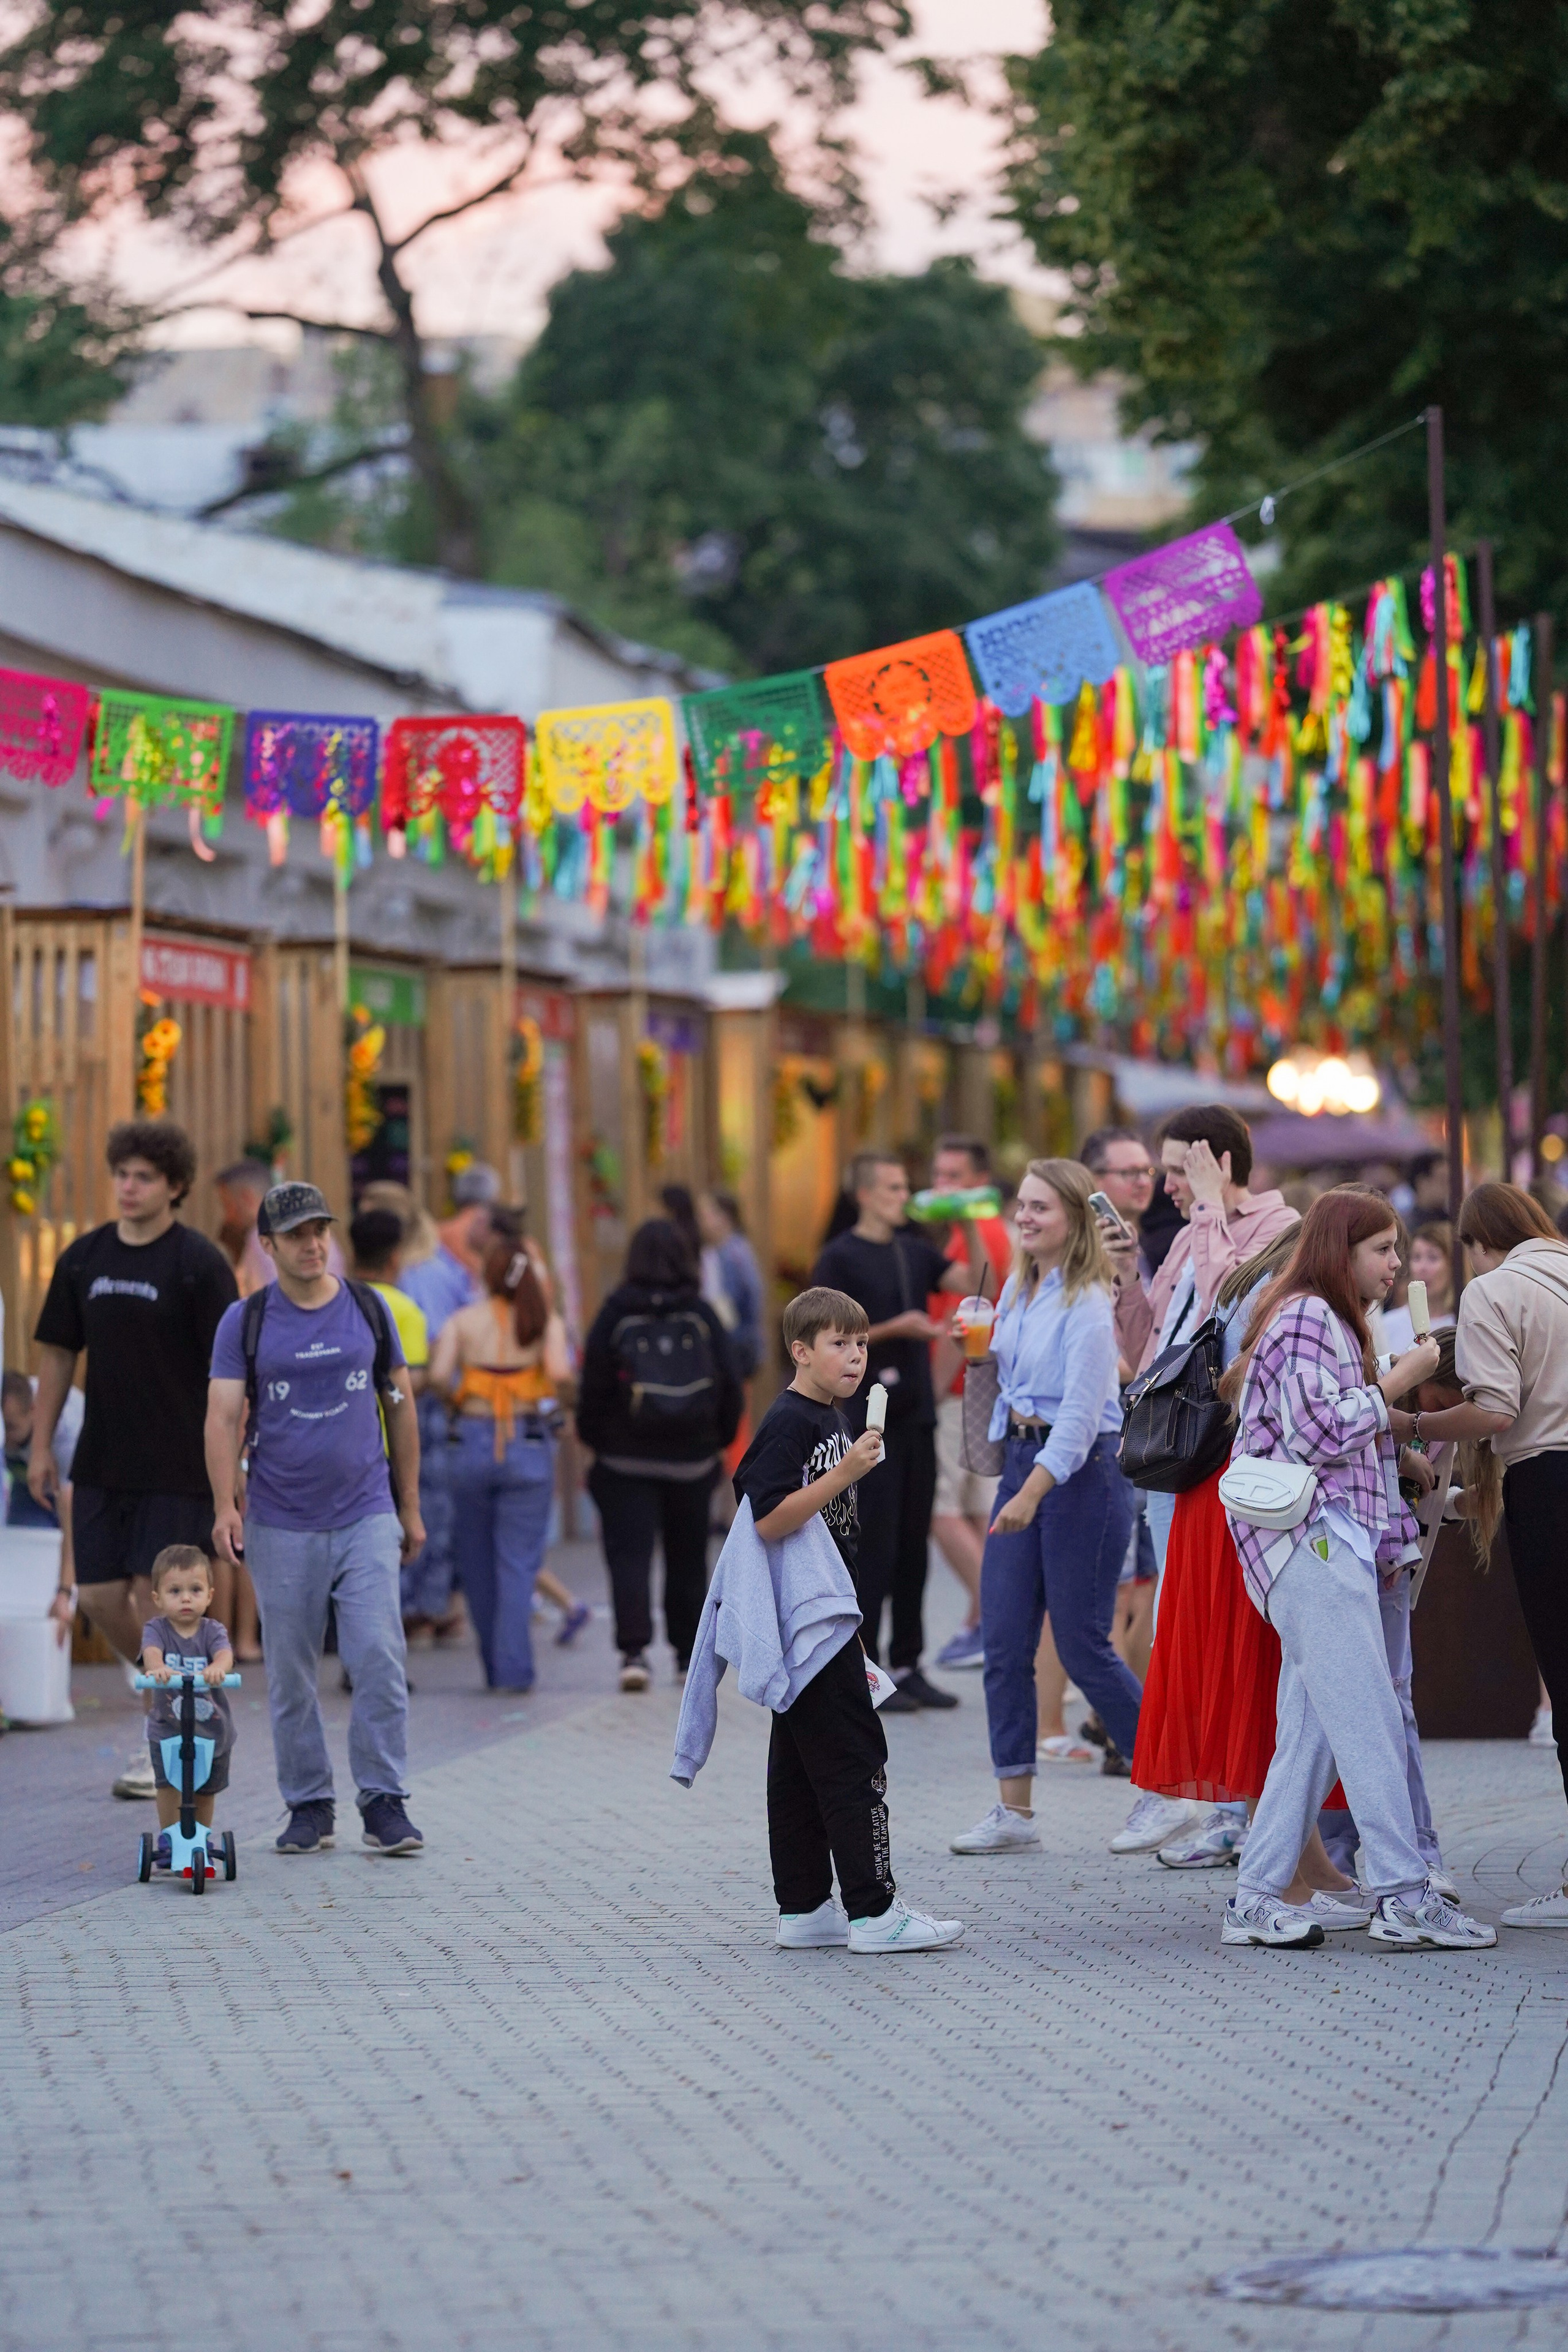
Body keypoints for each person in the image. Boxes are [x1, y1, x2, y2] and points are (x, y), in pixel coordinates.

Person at [1221, 1188, 1494, 1950]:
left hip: (1321, 1540)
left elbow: (1331, 1431)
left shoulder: (1323, 1316)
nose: (1396, 1263)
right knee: (1367, 1716)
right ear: (1341, 1252)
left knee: (1312, 1733)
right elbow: (1317, 1431)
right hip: (1311, 1540)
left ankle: (1254, 1896)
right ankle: (1404, 1893)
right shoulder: (1311, 1314)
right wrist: (1402, 1379)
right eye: (1382, 1249)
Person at [728, 1284, 963, 1954]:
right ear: (801, 1352)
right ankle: (875, 1910)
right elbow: (767, 1517)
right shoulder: (790, 1419)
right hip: (809, 1620)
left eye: (861, 1343)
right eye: (839, 1344)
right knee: (857, 1759)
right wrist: (843, 1476)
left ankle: (803, 1908)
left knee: (800, 1771)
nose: (855, 1357)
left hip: (830, 1616)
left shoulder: (834, 1415)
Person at [206, 1181, 426, 1858]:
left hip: (365, 1511)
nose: (312, 1244)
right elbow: (220, 1417)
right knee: (291, 1671)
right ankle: (308, 1805)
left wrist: (409, 1506)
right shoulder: (245, 1320)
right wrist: (223, 1507)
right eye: (297, 1235)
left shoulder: (367, 1307)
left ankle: (384, 1801)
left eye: (320, 1231)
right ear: (268, 1246)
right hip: (279, 1519)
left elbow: (402, 1407)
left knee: (379, 1656)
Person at [29, 1119, 238, 1801]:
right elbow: (57, 1355)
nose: (128, 1186)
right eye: (122, 1173)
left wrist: (230, 1470)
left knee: (164, 1601)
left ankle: (173, 1731)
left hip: (177, 1464)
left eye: (144, 1176)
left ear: (174, 1186)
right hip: (100, 1461)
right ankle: (170, 1702)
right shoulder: (83, 1259)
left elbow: (230, 1375)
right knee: (94, 1595)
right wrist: (39, 1445)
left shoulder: (198, 1264)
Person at [949, 1160, 1137, 1856]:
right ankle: (1014, 1810)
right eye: (1020, 1206)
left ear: (1073, 1220)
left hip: (1079, 1473)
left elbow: (1084, 1417)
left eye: (1040, 1209)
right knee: (1002, 1642)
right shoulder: (1020, 1286)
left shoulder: (1087, 1300)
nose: (1025, 1218)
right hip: (1025, 1462)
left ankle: (1177, 1789)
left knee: (1085, 1647)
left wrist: (1031, 1492)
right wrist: (975, 1345)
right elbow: (1010, 1378)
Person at [1418, 1182, 1568, 1926]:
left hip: (1550, 1483)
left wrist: (1409, 1417)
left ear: (1476, 1243)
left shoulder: (1493, 1291)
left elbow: (1497, 1409)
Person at [810, 1150, 968, 1709]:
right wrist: (894, 1327)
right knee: (870, 1540)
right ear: (865, 1194)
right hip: (865, 1418)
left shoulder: (915, 1251)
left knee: (911, 1544)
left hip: (917, 1412)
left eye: (907, 1186)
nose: (905, 1196)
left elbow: (971, 1279)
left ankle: (909, 1660)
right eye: (894, 1187)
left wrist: (967, 1220)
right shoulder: (839, 1258)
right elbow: (821, 1333)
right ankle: (865, 1664)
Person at [576, 1216, 742, 1691]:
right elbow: (731, 1384)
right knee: (689, 1556)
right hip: (692, 1460)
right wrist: (718, 1442)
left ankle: (634, 1654)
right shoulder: (702, 1313)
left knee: (629, 1556)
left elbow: (593, 1387)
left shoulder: (615, 1311)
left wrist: (598, 1441)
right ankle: (686, 1658)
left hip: (624, 1460)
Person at [431, 1209, 574, 1692]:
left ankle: (494, 1667)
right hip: (529, 1444)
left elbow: (435, 1375)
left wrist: (460, 1396)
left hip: (471, 1441)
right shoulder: (542, 1322)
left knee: (475, 1562)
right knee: (518, 1561)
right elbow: (559, 1372)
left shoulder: (462, 1320)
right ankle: (513, 1671)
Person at [396, 1163, 500, 1647]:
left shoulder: (415, 1273)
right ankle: (436, 1605)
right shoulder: (446, 1268)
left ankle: (419, 1607)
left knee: (421, 1503)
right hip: (443, 1402)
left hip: (417, 1400)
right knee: (436, 1508)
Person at [924, 1136, 1014, 1672]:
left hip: (960, 1391)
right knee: (981, 1508)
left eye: (954, 1176)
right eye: (938, 1175)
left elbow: (967, 1315)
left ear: (980, 1181)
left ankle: (994, 1616)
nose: (943, 1187)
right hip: (986, 1389)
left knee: (941, 1512)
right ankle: (983, 1620)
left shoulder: (974, 1238)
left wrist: (936, 1386)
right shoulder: (994, 1233)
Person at [139, 1545, 235, 1871]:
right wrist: (158, 1668)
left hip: (212, 1729)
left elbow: (224, 1654)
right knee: (168, 1783)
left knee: (206, 1785)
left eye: (195, 1590)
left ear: (209, 1595)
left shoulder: (213, 1631)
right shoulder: (157, 1629)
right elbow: (151, 1653)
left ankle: (200, 1837)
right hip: (168, 1727)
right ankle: (169, 1836)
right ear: (157, 1598)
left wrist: (218, 1668)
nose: (185, 1598)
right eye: (175, 1591)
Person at [697, 1188, 764, 1383]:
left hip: (736, 1341)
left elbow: (748, 1297)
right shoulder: (713, 1251)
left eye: (705, 1215)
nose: (701, 1221)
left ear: (723, 1217)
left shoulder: (736, 1253)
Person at [1378, 1220, 1458, 1352]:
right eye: (1416, 1257)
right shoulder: (1388, 1324)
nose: (1422, 1268)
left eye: (1433, 1258)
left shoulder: (1462, 1322)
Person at [215, 1159, 276, 1297]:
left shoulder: (261, 1240)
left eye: (228, 1204)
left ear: (247, 1198)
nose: (228, 1217)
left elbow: (272, 1307)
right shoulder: (310, 1233)